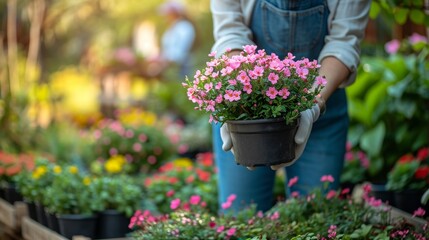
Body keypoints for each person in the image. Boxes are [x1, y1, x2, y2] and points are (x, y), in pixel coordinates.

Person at [210, 0, 371, 213]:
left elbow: (344, 43)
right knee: (240, 216)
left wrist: (312, 103)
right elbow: (230, 34)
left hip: (322, 107)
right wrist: (239, 101)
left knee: (314, 217)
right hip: (248, 117)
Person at [158, 0, 196, 79]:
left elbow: (181, 50)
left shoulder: (184, 27)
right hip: (170, 67)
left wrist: (166, 60)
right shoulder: (172, 28)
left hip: (181, 68)